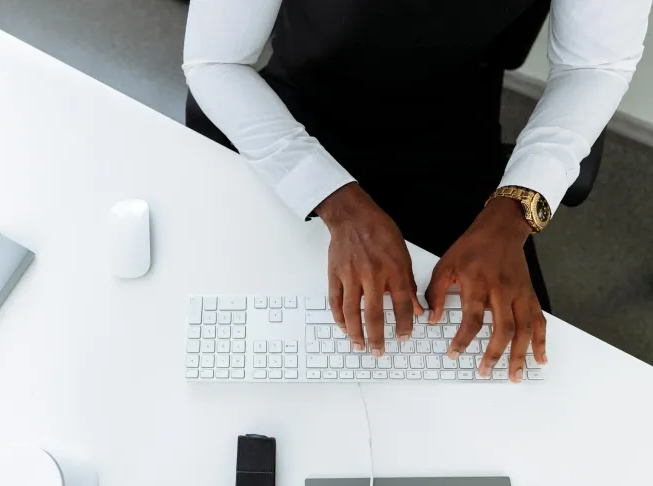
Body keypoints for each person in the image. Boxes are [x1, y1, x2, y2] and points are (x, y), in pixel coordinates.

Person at [182, 0, 651, 383]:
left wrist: (513, 212)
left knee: (497, 389)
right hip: (298, 123)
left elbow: (595, 66)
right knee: (238, 352)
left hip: (454, 140)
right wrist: (336, 201)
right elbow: (215, 61)